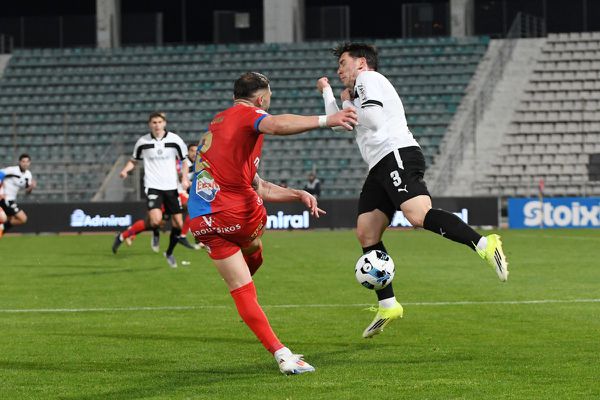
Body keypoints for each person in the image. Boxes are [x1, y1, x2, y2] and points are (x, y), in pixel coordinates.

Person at [316, 42, 509, 338]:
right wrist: (330, 94)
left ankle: (485, 244)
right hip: (379, 164)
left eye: (343, 63)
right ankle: (388, 305)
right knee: (367, 232)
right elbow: (338, 124)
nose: (339, 69)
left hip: (396, 154)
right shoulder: (357, 92)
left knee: (418, 215)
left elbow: (373, 120)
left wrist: (348, 105)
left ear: (361, 62)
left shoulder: (368, 78)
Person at [187, 72, 356, 374]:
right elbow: (277, 125)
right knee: (254, 242)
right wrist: (326, 120)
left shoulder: (219, 124)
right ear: (262, 99)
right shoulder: (248, 115)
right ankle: (250, 278)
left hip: (201, 220)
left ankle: (283, 355)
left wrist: (297, 194)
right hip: (236, 213)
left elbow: (260, 185)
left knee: (241, 288)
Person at [112, 111, 190, 268]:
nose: (157, 125)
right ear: (150, 124)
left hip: (172, 187)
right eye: (154, 122)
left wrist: (184, 178)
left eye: (160, 122)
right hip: (153, 186)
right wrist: (125, 170)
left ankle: (169, 252)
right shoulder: (143, 142)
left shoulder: (175, 140)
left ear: (164, 123)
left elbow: (185, 161)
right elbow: (134, 160)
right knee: (155, 220)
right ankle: (151, 232)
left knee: (178, 224)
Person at [0, 154, 36, 237]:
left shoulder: (28, 174)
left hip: (11, 200)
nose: (25, 163)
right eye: (23, 161)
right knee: (23, 218)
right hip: (5, 199)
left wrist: (31, 187)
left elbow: (27, 192)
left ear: (30, 163)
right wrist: (1, 192)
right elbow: (0, 174)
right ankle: (2, 227)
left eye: (27, 162)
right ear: (19, 162)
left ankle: (1, 229)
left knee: (9, 219)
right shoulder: (12, 170)